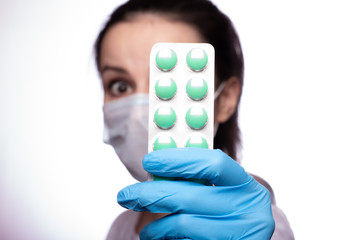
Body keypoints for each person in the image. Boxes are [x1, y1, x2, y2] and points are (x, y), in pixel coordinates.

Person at [95, 0, 294, 239]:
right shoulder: (121, 227)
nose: (139, 112)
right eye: (120, 85)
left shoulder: (257, 229)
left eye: (167, 81)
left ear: (226, 99)